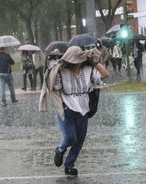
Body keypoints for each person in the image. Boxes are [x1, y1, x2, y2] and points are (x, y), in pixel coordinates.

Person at [39, 46, 108, 176]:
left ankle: (69, 165)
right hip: (66, 110)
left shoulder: (88, 70)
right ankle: (60, 150)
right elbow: (52, 86)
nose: (77, 62)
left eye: (80, 59)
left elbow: (105, 74)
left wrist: (95, 62)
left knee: (79, 141)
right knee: (70, 137)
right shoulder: (61, 72)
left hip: (83, 111)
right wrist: (53, 68)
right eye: (74, 60)